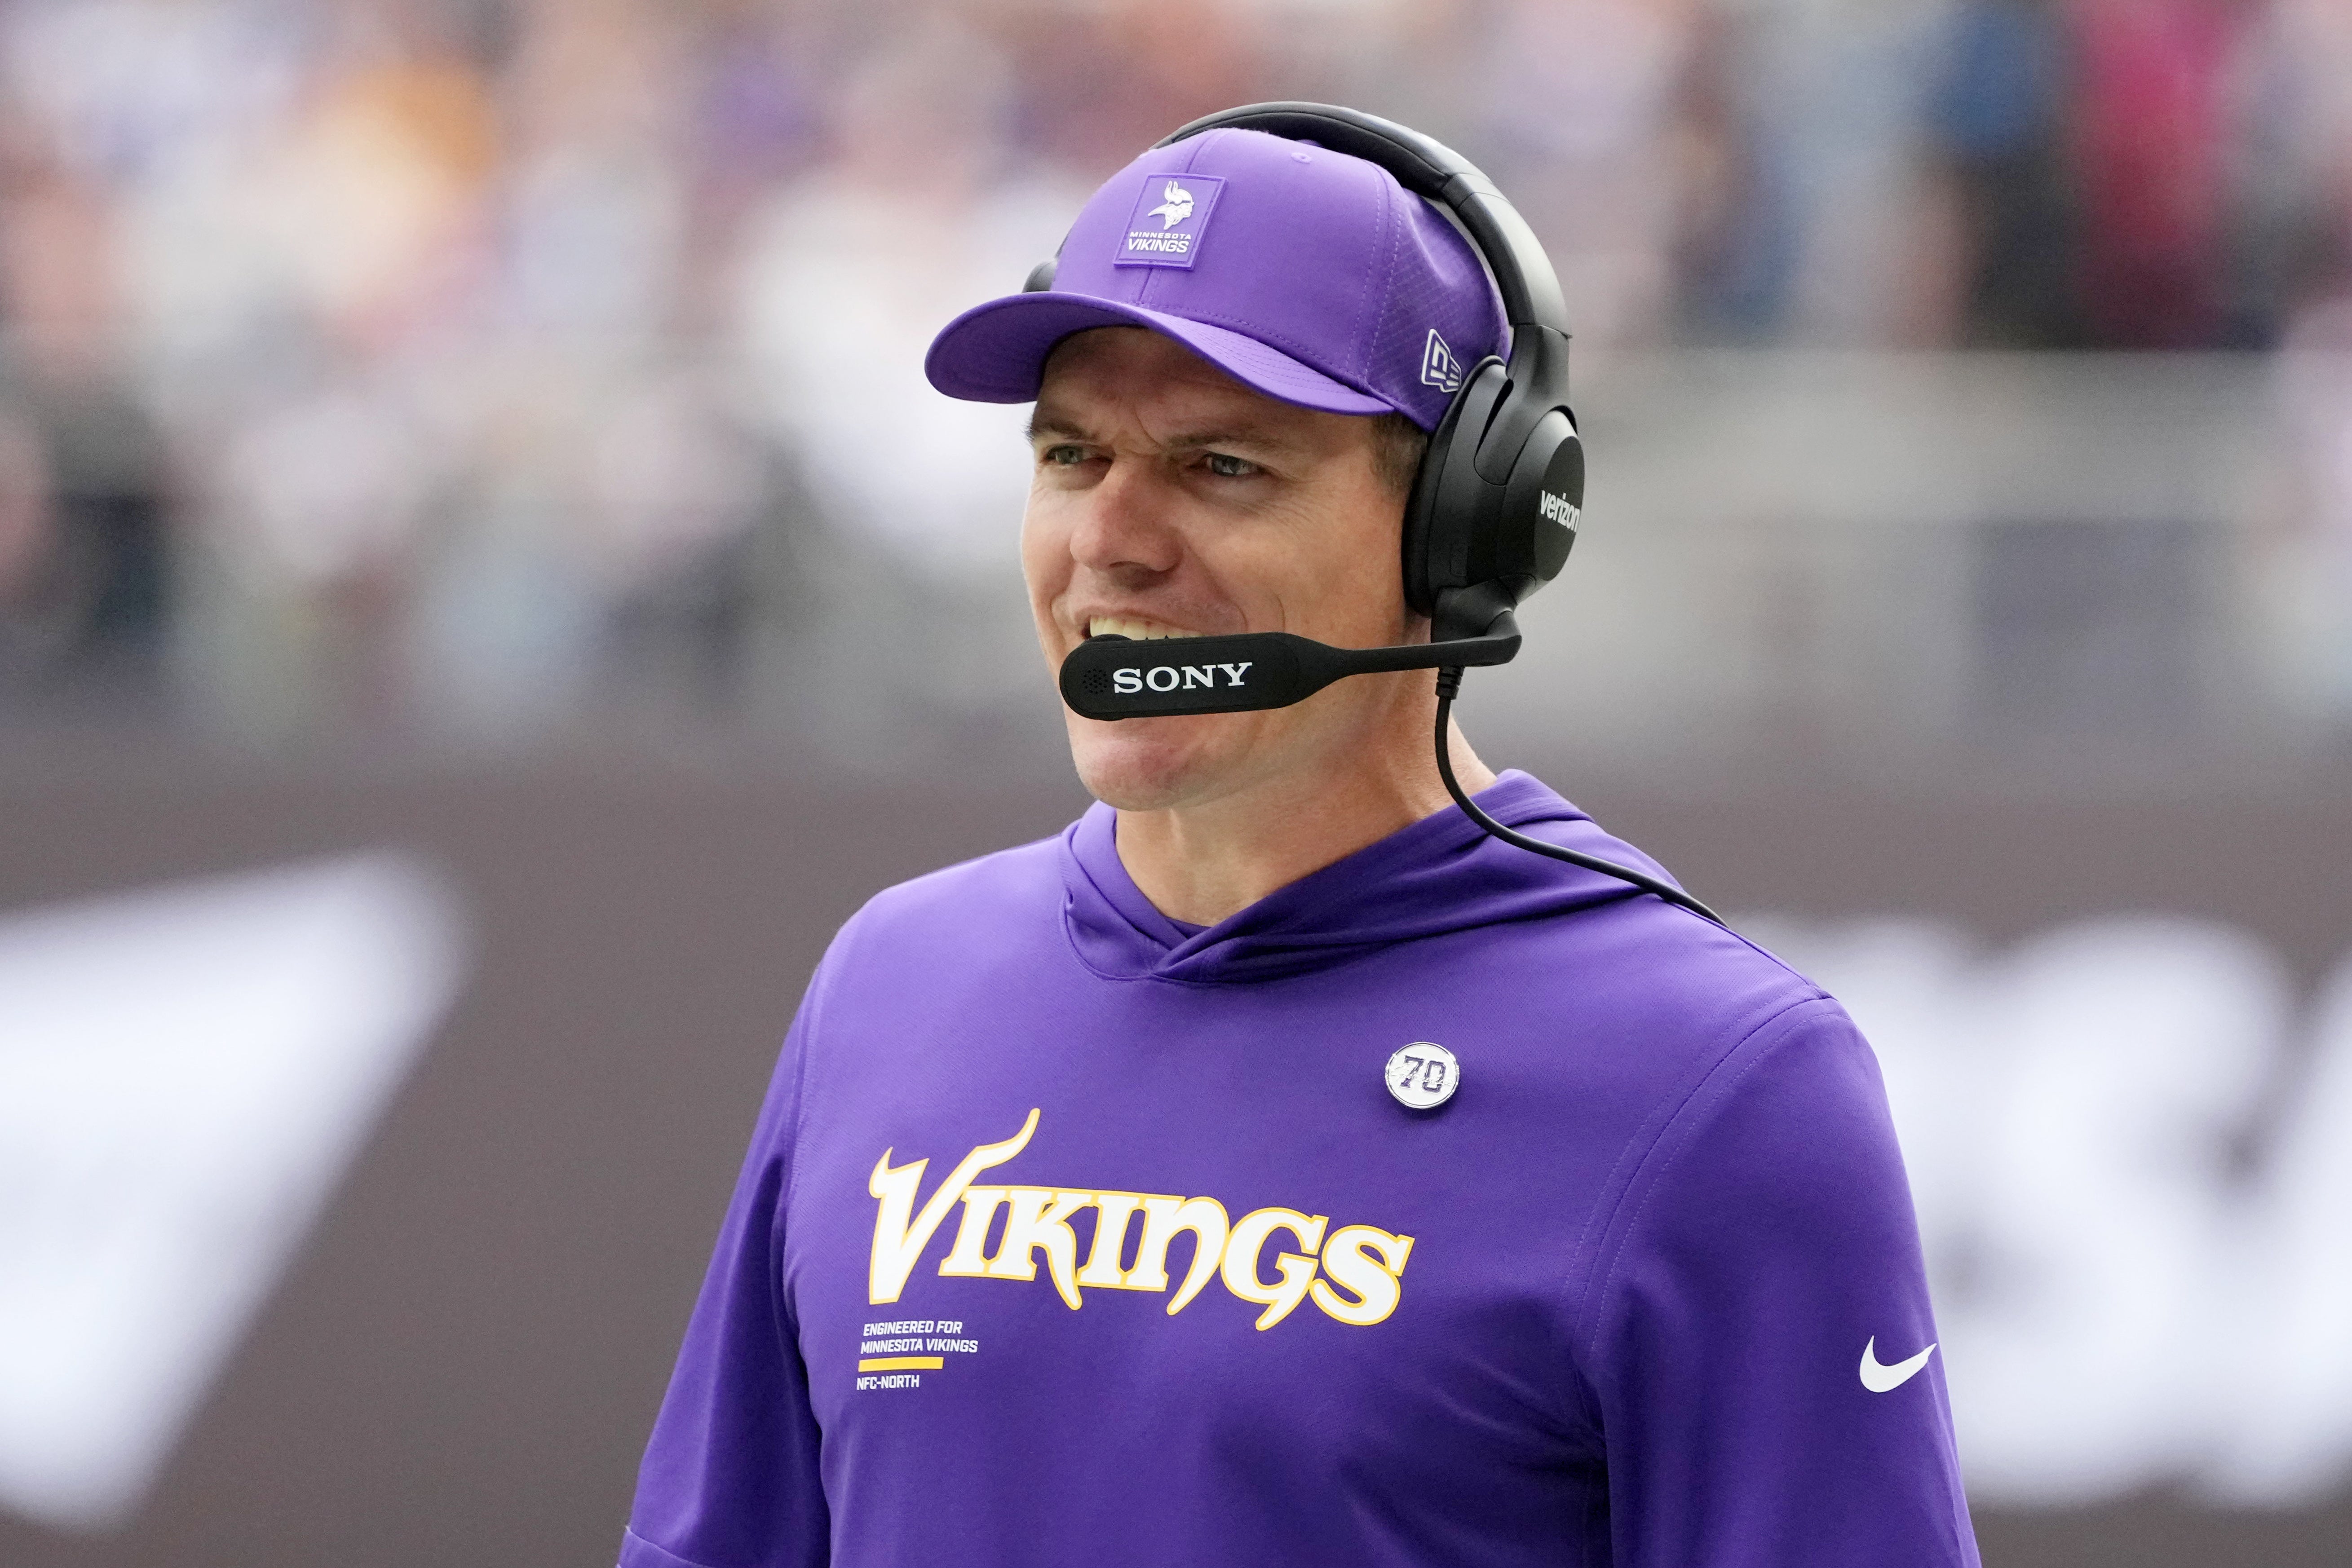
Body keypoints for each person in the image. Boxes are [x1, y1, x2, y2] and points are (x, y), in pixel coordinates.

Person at [618, 109, 1979, 1568]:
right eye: (1072, 455)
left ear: (1465, 528)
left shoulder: (1718, 1082)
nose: (1111, 542)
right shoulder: (892, 981)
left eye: (1222, 467)